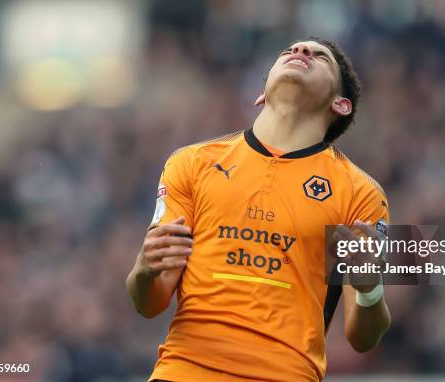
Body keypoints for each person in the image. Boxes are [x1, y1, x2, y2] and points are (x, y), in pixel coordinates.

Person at [126, 37, 391, 382]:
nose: (300, 51)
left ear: (341, 105)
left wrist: (370, 288)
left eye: (320, 56)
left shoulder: (363, 194)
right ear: (262, 92)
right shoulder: (190, 163)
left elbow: (364, 338)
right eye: (290, 50)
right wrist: (143, 271)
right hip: (183, 372)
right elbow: (149, 304)